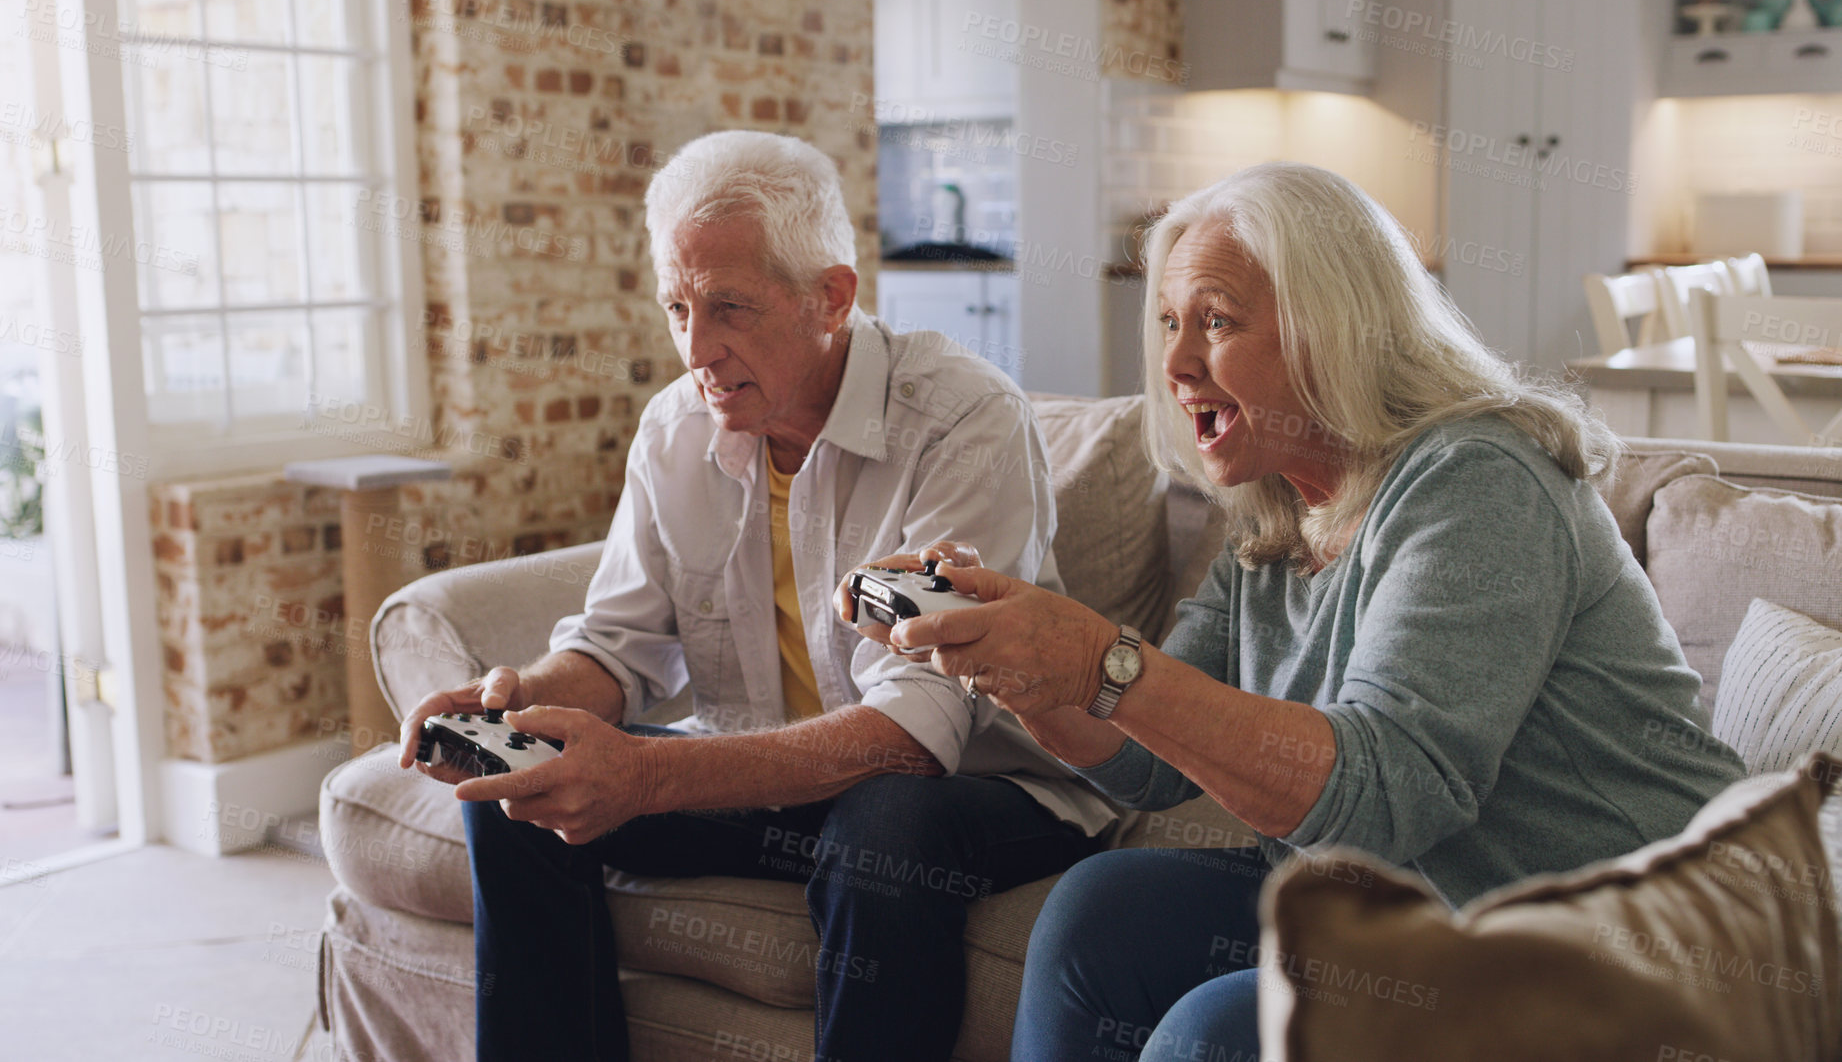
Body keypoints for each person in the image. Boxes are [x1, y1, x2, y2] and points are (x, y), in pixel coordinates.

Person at [841, 162, 1747, 1062]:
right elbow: (1146, 762)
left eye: (1217, 322)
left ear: (1333, 330)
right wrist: (1017, 658)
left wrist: (1098, 660)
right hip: (1411, 914)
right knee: (1099, 911)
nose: (1174, 362)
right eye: (1167, 323)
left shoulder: (1481, 481)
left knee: (1220, 1033)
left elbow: (1389, 796)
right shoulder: (1279, 507)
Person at [396, 130, 1119, 1062]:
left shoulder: (963, 421)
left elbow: (912, 732)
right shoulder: (674, 431)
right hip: (770, 776)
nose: (697, 347)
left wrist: (643, 776)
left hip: (980, 786)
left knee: (885, 825)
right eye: (677, 306)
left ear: (832, 297)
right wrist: (522, 702)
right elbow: (619, 646)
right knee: (514, 783)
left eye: (729, 306)